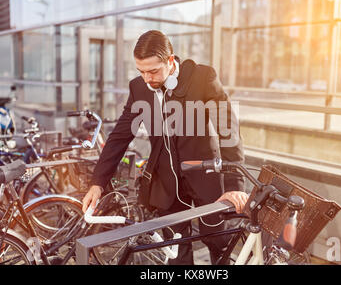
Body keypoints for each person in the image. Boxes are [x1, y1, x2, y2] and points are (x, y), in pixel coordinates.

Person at [82, 30, 249, 264]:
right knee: (175, 251)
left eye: (153, 71)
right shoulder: (138, 88)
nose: (147, 78)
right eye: (141, 72)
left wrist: (234, 185)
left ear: (170, 62)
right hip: (167, 184)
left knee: (218, 242)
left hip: (207, 178)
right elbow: (120, 136)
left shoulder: (203, 77)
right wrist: (98, 182)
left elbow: (229, 130)